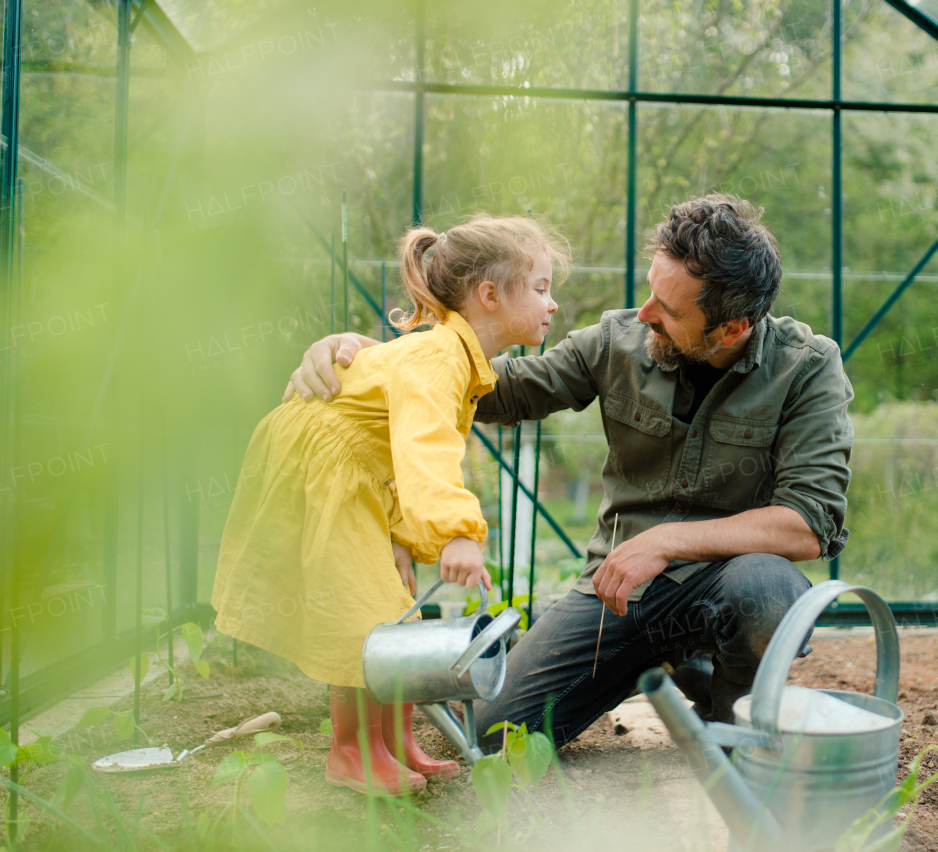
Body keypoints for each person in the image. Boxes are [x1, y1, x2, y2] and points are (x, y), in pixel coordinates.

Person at [285, 194, 853, 752]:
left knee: (767, 590)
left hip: (724, 582)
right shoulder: (616, 340)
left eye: (670, 310)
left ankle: (735, 718)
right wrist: (369, 360)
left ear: (731, 329)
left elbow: (809, 522)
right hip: (619, 592)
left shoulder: (807, 368)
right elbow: (490, 389)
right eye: (651, 291)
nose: (645, 313)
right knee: (492, 733)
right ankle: (653, 662)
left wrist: (665, 540)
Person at [212, 214, 567, 793]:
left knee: (394, 603)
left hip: (355, 467)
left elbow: (402, 452)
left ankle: (394, 742)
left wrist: (402, 538)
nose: (552, 304)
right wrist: (455, 531)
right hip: (324, 463)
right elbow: (422, 450)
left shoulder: (456, 357)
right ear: (490, 295)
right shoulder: (440, 357)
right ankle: (352, 753)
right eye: (542, 288)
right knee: (362, 614)